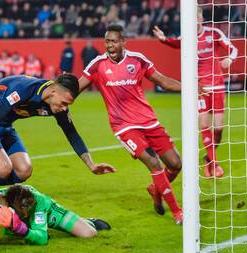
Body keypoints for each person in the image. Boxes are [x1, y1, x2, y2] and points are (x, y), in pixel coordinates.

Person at [0, 74, 115, 231]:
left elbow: (72, 133)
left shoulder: (57, 104)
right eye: (64, 103)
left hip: (4, 123)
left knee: (24, 170)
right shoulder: (23, 89)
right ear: (53, 90)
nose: (64, 108)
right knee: (3, 169)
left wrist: (91, 165)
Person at [78, 24, 183, 224]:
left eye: (114, 41)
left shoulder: (137, 60)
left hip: (149, 121)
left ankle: (156, 190)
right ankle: (178, 212)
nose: (110, 45)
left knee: (176, 164)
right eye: (107, 41)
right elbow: (76, 88)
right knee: (154, 162)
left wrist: (192, 88)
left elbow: (164, 82)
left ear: (124, 42)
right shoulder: (97, 65)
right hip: (123, 126)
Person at [153, 7, 238, 178]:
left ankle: (209, 157)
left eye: (197, 18)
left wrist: (229, 58)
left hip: (218, 85)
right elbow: (175, 43)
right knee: (204, 124)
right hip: (200, 88)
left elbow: (233, 49)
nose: (195, 21)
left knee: (219, 128)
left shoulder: (213, 33)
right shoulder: (187, 38)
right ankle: (214, 165)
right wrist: (163, 40)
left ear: (201, 18)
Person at [0, 184, 111, 243]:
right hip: (21, 208)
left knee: (89, 233)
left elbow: (43, 238)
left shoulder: (38, 205)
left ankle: (87, 221)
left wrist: (23, 230)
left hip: (50, 213)